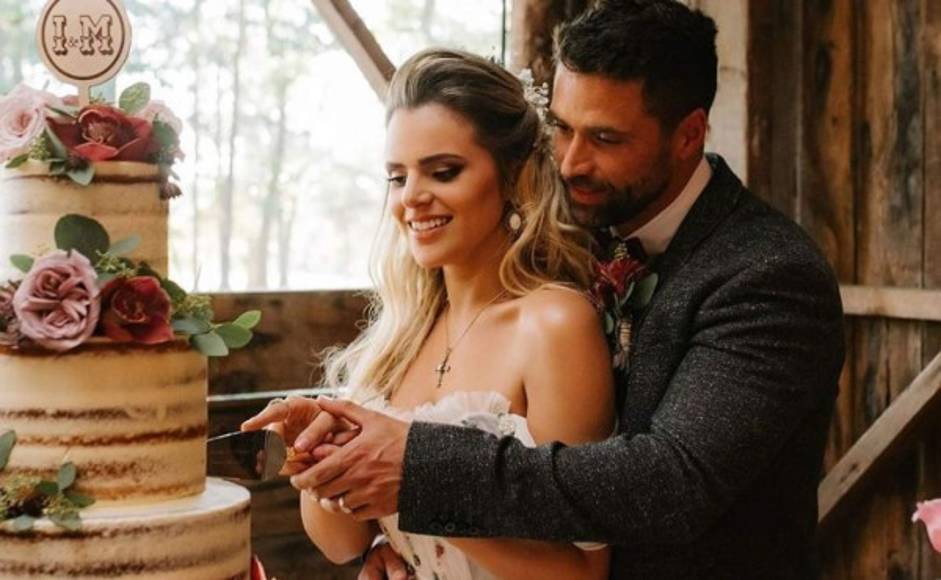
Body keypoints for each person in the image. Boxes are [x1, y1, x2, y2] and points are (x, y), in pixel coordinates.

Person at [261, 0, 847, 578]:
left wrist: (415, 478)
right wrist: (389, 538)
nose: (568, 163)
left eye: (605, 138)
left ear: (689, 134)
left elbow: (671, 482)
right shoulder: (578, 236)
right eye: (561, 129)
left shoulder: (767, 274)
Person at [244, 47, 620, 579]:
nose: (412, 198)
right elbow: (342, 545)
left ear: (514, 177)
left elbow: (581, 571)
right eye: (397, 178)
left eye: (443, 172)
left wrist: (418, 486)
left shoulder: (554, 326)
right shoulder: (398, 335)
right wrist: (318, 456)